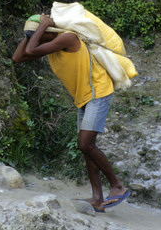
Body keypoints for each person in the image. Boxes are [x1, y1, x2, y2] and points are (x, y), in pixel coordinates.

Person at [11, 14, 129, 212]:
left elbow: (31, 49)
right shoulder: (51, 44)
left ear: (50, 31)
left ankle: (118, 186)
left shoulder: (68, 38)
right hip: (83, 97)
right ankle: (97, 198)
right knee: (86, 147)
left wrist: (43, 27)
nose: (35, 40)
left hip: (98, 92)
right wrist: (30, 34)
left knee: (85, 143)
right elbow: (18, 57)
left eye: (40, 35)